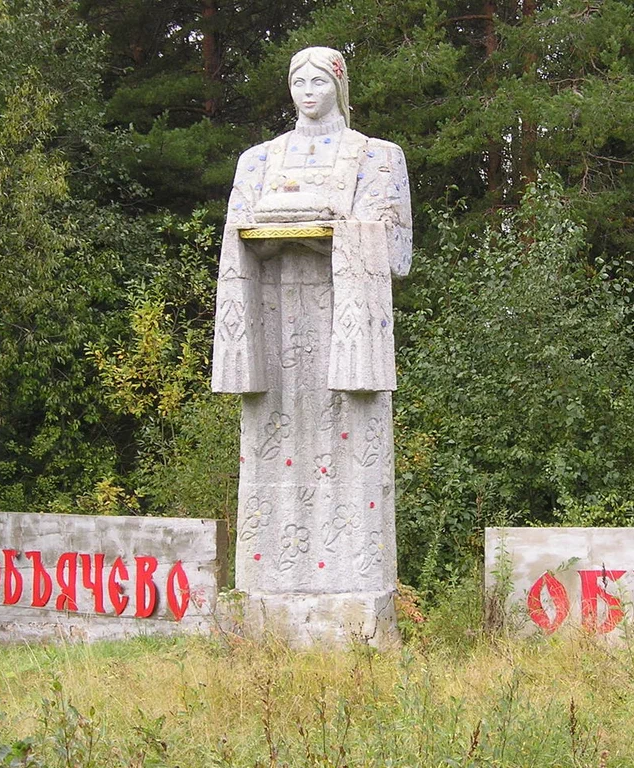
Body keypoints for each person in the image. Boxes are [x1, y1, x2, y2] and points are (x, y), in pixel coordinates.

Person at [211, 46, 411, 622]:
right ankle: (268, 586)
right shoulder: (258, 160)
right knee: (271, 438)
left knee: (352, 435)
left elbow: (395, 250)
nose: (307, 90)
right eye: (297, 79)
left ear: (340, 87)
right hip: (273, 322)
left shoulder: (377, 156)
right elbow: (238, 231)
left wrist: (326, 229)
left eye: (319, 79)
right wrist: (306, 227)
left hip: (344, 321)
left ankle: (352, 582)